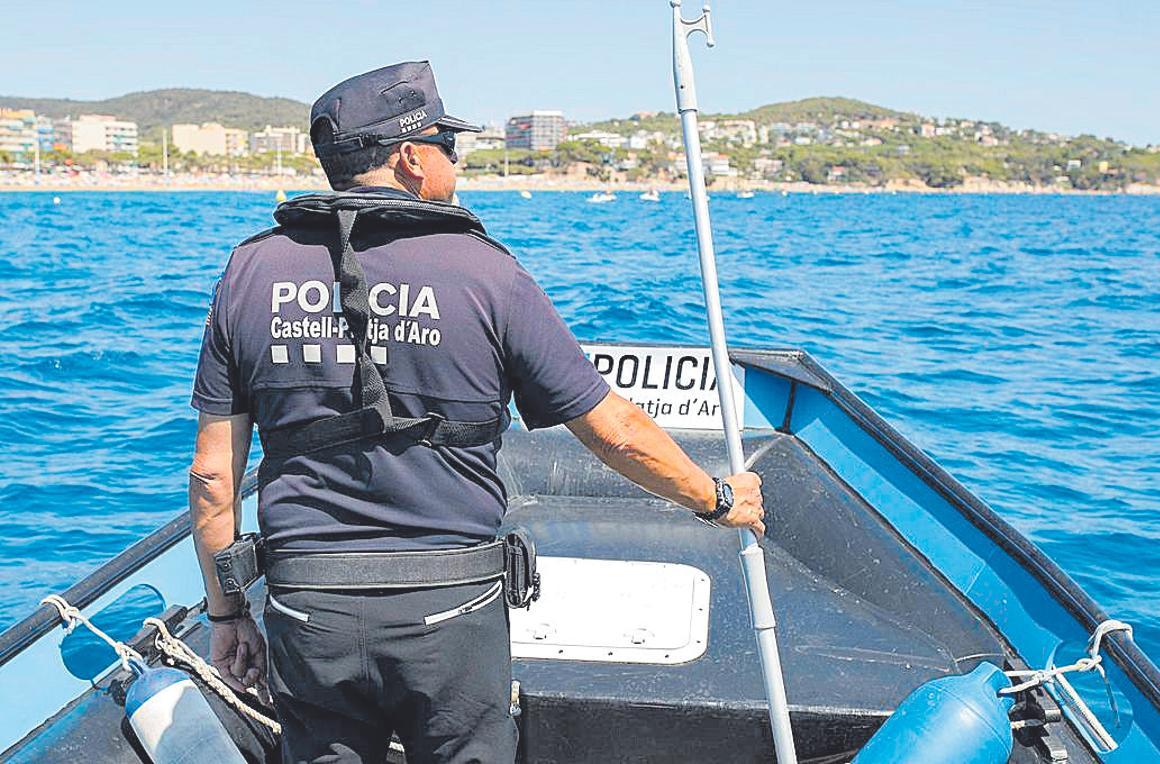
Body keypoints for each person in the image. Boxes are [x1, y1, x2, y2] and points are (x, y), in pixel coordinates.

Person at [187, 61, 765, 764]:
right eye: (446, 146)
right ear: (408, 158)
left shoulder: (248, 271)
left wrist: (226, 613)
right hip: (450, 608)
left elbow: (214, 477)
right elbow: (614, 431)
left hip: (307, 604)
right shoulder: (487, 273)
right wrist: (720, 497)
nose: (453, 162)